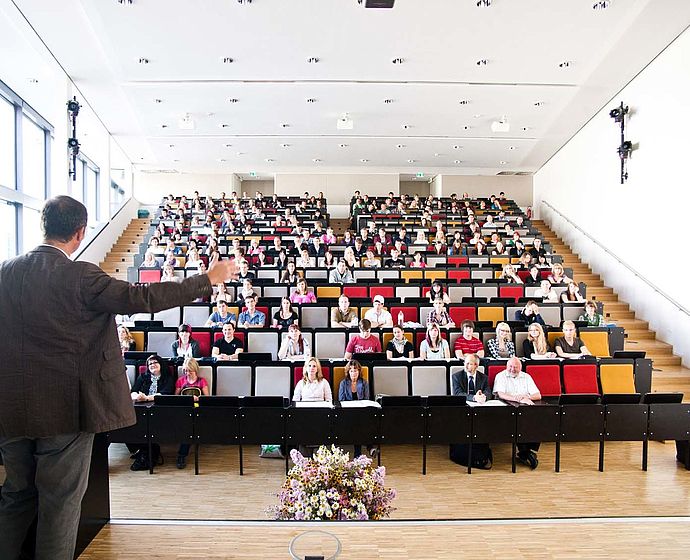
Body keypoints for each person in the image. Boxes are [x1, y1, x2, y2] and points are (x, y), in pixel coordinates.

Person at [128, 354, 176, 471]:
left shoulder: (167, 378)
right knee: (127, 423)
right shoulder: (143, 377)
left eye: (155, 363)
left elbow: (166, 394)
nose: (152, 365)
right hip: (141, 406)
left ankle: (147, 451)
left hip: (159, 408)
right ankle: (142, 450)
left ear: (160, 364)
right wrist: (137, 396)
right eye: (150, 364)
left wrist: (147, 398)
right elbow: (133, 391)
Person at [493, 357, 542, 469]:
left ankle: (526, 452)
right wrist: (518, 399)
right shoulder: (501, 376)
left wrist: (527, 397)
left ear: (520, 367)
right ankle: (526, 453)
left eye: (516, 367)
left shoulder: (526, 377)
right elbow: (501, 394)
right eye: (510, 366)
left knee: (540, 417)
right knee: (519, 421)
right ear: (506, 366)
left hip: (526, 408)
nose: (512, 369)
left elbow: (538, 395)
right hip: (508, 409)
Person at [449, 354, 492, 469]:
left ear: (476, 365)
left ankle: (481, 455)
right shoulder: (456, 376)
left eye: (470, 363)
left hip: (479, 409)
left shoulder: (484, 378)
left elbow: (488, 392)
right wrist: (474, 397)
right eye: (466, 363)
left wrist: (483, 396)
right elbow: (457, 393)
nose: (467, 365)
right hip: (463, 409)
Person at [174, 357, 209, 469]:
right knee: (186, 426)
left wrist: (197, 399)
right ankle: (182, 454)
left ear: (195, 370)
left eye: (190, 370)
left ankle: (181, 455)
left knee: (188, 426)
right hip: (183, 409)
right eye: (186, 371)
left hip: (197, 409)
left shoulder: (201, 381)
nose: (187, 373)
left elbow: (207, 398)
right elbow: (175, 398)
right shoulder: (180, 381)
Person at [337, 360, 377, 457]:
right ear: (348, 372)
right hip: (347, 412)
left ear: (359, 371)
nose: (353, 373)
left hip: (361, 411)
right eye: (351, 371)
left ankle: (359, 454)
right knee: (357, 423)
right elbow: (341, 400)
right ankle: (369, 447)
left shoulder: (364, 383)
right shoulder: (343, 383)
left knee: (361, 422)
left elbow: (367, 399)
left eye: (355, 370)